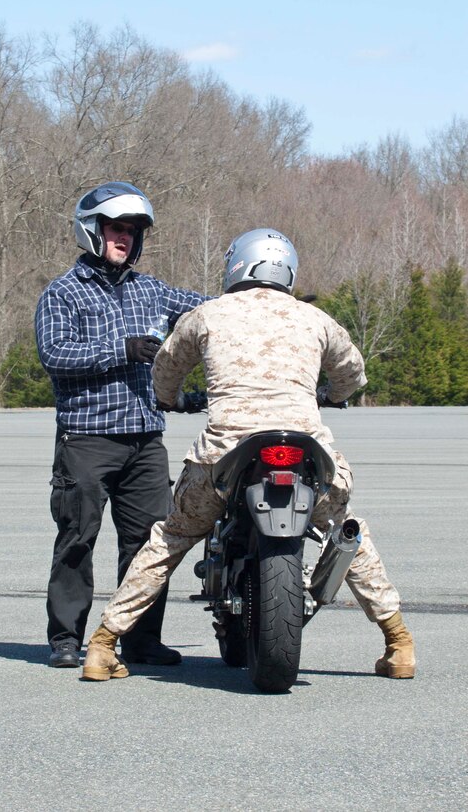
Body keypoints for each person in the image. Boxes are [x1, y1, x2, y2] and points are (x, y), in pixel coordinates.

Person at [83, 227, 416, 682]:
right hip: (307, 453)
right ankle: (398, 642)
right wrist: (329, 393)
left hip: (224, 454)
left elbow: (165, 369)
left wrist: (169, 398)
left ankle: (103, 645)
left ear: (236, 265)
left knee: (170, 537)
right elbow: (353, 373)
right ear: (288, 272)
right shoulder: (314, 319)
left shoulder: (206, 315)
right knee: (345, 529)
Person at [35, 181, 211, 668]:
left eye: (133, 232)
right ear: (92, 231)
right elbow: (55, 355)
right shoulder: (63, 293)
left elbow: (208, 308)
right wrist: (122, 350)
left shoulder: (150, 289)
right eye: (117, 229)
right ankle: (66, 640)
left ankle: (139, 639)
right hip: (87, 439)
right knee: (77, 538)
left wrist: (266, 301)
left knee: (151, 543)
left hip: (145, 441)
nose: (126, 239)